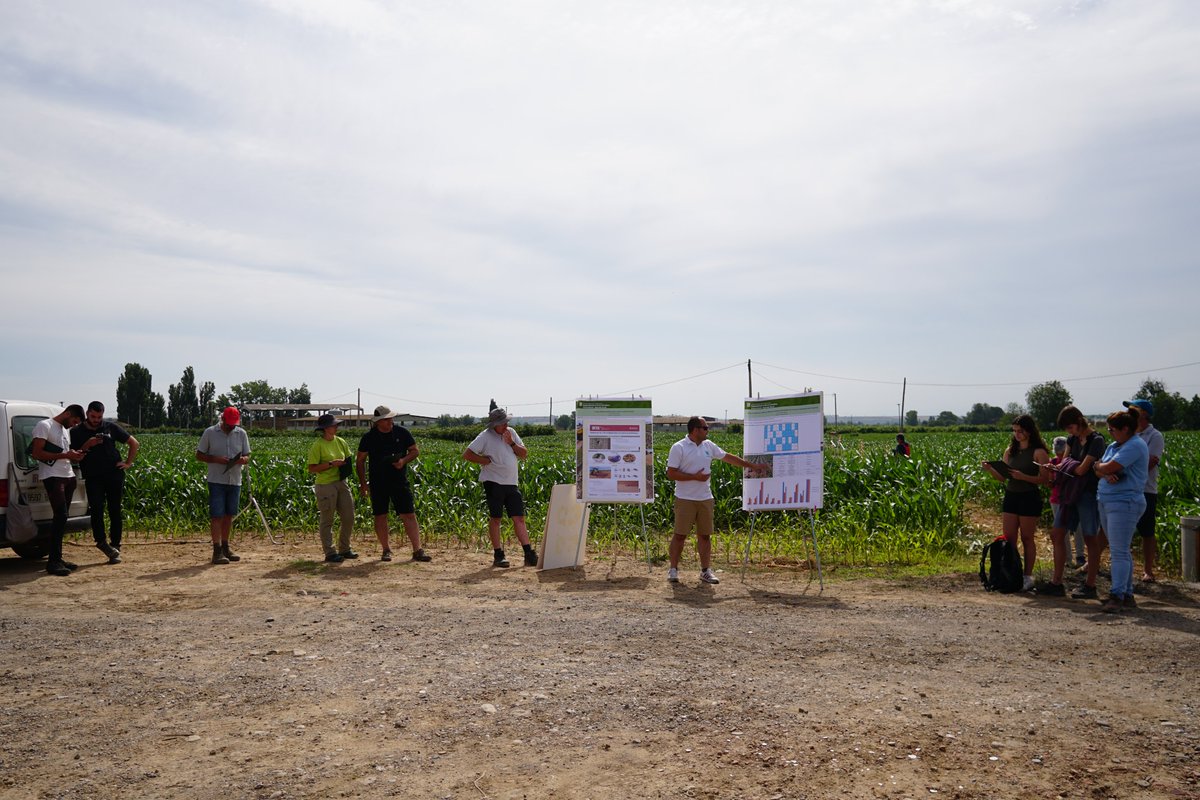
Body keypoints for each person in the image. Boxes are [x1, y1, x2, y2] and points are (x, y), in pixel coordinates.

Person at [666, 416, 768, 585]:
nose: (708, 431)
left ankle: (705, 571)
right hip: (685, 499)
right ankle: (673, 570)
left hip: (705, 498)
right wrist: (695, 477)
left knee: (705, 536)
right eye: (705, 428)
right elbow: (671, 473)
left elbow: (728, 457)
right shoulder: (679, 447)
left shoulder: (709, 445)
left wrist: (752, 466)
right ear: (695, 430)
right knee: (680, 535)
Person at [981, 414, 1049, 592]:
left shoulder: (1039, 452)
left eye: (1020, 431)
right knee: (1009, 538)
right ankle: (1011, 573)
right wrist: (991, 469)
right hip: (1011, 495)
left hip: (1029, 497)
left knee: (1027, 538)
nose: (1017, 434)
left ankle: (1027, 576)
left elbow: (1045, 479)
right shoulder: (1009, 451)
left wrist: (1023, 476)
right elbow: (1002, 478)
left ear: (1029, 431)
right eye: (1015, 431)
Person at [463, 408, 536, 568]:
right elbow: (467, 454)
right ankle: (498, 554)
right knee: (496, 518)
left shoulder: (511, 433)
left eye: (506, 422)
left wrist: (511, 443)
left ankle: (529, 553)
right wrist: (484, 461)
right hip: (493, 482)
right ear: (494, 424)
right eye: (502, 423)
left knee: (519, 518)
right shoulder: (485, 436)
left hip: (511, 482)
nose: (505, 425)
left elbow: (524, 454)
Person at [356, 406, 431, 563]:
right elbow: (360, 460)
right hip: (378, 482)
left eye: (391, 418)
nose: (390, 421)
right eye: (386, 419)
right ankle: (386, 550)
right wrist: (363, 484)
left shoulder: (402, 433)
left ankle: (417, 550)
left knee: (409, 514)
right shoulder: (369, 437)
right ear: (378, 422)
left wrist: (403, 461)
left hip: (399, 481)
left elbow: (415, 451)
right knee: (380, 515)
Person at [1094, 409, 1150, 613]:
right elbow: (1099, 469)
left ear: (1125, 429)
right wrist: (1102, 469)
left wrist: (1101, 467)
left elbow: (1105, 467)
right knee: (1121, 550)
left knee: (1118, 552)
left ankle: (1116, 595)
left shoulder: (1134, 445)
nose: (1109, 433)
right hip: (1108, 500)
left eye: (1112, 429)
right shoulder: (1114, 445)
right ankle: (1126, 594)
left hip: (1124, 502)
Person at [69, 401, 138, 564]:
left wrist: (128, 463)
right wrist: (89, 444)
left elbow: (134, 443)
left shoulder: (110, 427)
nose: (96, 420)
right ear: (87, 413)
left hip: (114, 475)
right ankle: (101, 542)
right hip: (93, 477)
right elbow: (75, 456)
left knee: (115, 510)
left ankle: (115, 546)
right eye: (93, 416)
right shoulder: (76, 432)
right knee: (96, 510)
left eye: (99, 417)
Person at [1057, 406, 1108, 600]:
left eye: (1070, 427)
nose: (1069, 432)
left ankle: (1090, 584)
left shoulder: (1096, 440)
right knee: (1058, 533)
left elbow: (1081, 469)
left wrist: (1068, 465)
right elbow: (1065, 464)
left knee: (1090, 538)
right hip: (1071, 492)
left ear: (1079, 422)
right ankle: (1057, 581)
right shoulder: (1072, 439)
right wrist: (1065, 465)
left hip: (1088, 494)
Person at [30, 404, 85, 576]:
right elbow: (37, 453)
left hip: (68, 475)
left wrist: (73, 455)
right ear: (67, 414)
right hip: (53, 477)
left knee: (62, 518)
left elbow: (64, 453)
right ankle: (53, 562)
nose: (74, 425)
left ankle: (57, 559)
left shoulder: (64, 430)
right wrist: (66, 455)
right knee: (60, 516)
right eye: (74, 421)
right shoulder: (44, 426)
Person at [195, 406, 250, 565]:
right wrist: (216, 459)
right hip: (216, 480)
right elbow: (199, 455)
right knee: (217, 515)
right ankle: (217, 550)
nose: (231, 426)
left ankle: (226, 547)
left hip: (235, 480)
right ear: (223, 419)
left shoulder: (241, 434)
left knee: (228, 515)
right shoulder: (210, 432)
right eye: (229, 423)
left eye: (234, 424)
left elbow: (247, 454)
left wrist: (243, 460)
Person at [1124, 399, 1165, 583]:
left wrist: (1121, 468)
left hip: (1146, 489)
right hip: (1125, 488)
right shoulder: (1127, 433)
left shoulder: (1154, 436)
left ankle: (1148, 570)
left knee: (1147, 531)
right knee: (1110, 527)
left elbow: (1148, 464)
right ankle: (1094, 562)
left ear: (1144, 415)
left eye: (1133, 409)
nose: (1128, 412)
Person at [307, 414, 357, 563]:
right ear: (325, 428)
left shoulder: (341, 442)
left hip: (341, 481)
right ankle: (330, 552)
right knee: (327, 520)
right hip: (325, 485)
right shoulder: (318, 445)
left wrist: (345, 466)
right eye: (333, 425)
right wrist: (330, 464)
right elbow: (312, 468)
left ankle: (345, 549)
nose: (336, 427)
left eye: (336, 425)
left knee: (349, 516)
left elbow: (348, 458)